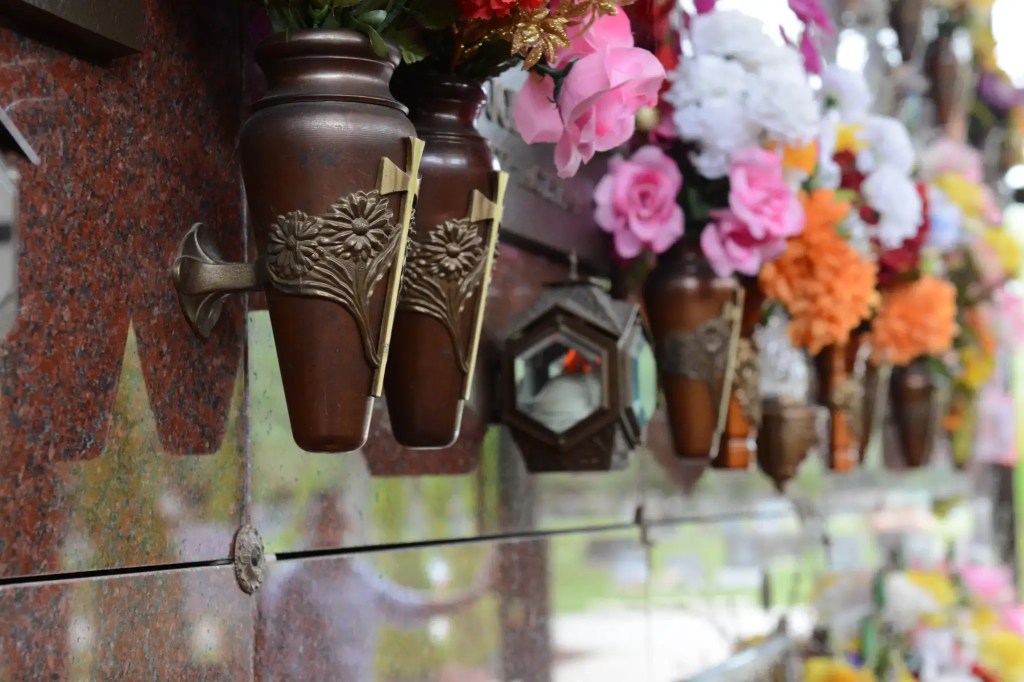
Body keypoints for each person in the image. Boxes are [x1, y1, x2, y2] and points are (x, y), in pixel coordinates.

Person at [258, 491, 495, 682]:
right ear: (308, 527)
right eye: (323, 522)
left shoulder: (360, 578)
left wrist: (473, 595)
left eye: (337, 523)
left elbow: (410, 607)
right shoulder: (289, 583)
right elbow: (270, 649)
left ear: (347, 528)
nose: (331, 532)